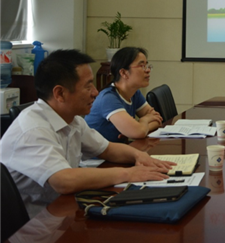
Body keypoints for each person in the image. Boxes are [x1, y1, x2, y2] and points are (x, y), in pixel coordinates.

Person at [0, 49, 174, 218]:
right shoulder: (32, 129)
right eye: (88, 86)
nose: (95, 92)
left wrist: (139, 156)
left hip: (63, 211)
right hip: (34, 224)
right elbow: (64, 181)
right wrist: (128, 174)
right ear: (60, 93)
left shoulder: (73, 120)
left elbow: (108, 149)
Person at [85, 47, 163, 142]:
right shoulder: (108, 98)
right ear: (123, 73)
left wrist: (138, 128)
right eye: (142, 66)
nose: (147, 70)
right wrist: (144, 121)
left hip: (119, 148)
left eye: (147, 65)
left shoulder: (134, 93)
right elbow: (138, 132)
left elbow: (157, 119)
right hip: (98, 152)